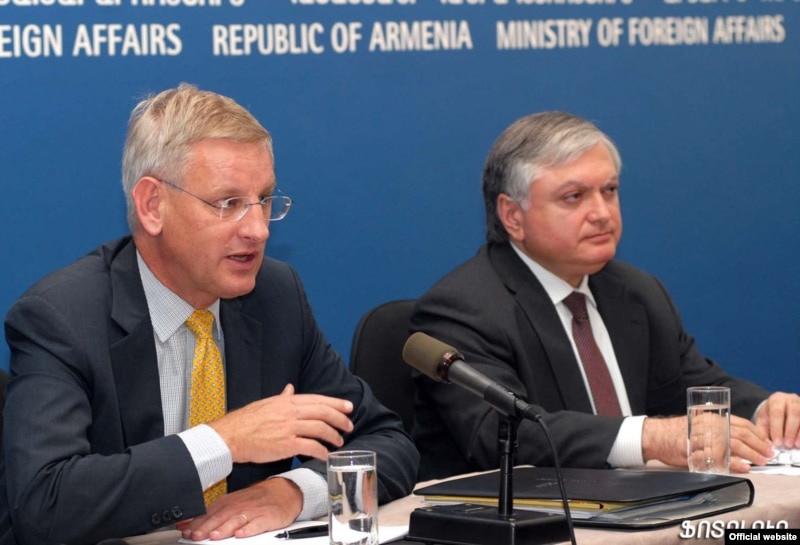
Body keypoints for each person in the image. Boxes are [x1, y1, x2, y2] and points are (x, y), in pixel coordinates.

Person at [0, 83, 418, 545]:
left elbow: (386, 442)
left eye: (264, 199)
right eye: (228, 204)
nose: (258, 230)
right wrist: (222, 442)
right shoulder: (62, 317)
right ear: (152, 206)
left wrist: (293, 491)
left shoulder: (276, 296)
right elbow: (43, 504)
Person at [410, 111, 800, 481]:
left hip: (642, 508)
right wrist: (649, 438)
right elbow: (505, 434)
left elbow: (696, 387)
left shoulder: (635, 292)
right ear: (513, 216)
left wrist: (767, 410)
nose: (602, 213)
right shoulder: (462, 309)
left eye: (609, 190)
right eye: (573, 197)